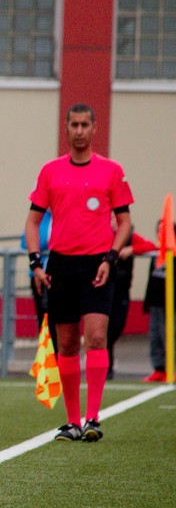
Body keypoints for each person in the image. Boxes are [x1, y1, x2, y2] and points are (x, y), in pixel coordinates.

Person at [24, 103, 134, 443]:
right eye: (74, 125)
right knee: (68, 343)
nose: (80, 131)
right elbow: (32, 221)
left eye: (85, 124)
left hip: (97, 264)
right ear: (67, 128)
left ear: (94, 128)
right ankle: (73, 422)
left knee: (96, 336)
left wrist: (110, 258)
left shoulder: (111, 171)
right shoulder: (50, 171)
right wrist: (36, 264)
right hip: (61, 265)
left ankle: (93, 418)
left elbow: (124, 222)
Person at [106, 223, 156, 379]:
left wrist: (131, 249)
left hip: (121, 289)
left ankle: (106, 362)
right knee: (104, 330)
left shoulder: (129, 236)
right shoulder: (102, 234)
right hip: (104, 288)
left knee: (117, 326)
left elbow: (150, 246)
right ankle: (106, 367)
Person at [21, 209, 57, 352]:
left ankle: (59, 357)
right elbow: (26, 241)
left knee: (61, 320)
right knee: (44, 319)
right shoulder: (41, 216)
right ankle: (47, 356)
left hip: (62, 275)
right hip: (40, 276)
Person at [141, 222, 173, 382]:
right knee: (155, 336)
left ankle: (172, 367)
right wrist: (147, 301)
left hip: (171, 304)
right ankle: (159, 368)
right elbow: (151, 278)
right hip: (156, 302)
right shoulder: (156, 254)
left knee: (170, 336)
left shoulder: (173, 253)